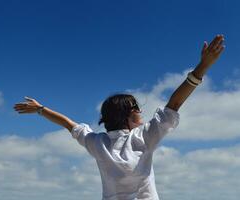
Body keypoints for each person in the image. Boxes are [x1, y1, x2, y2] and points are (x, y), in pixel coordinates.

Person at [14, 35, 225, 200]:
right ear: (126, 114)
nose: (140, 111)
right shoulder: (144, 137)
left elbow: (68, 124)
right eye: (136, 107)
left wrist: (41, 109)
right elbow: (175, 104)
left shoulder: (98, 143)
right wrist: (202, 67)